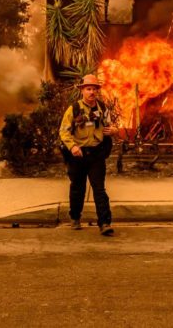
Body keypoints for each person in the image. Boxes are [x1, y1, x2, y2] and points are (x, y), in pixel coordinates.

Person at [59, 74, 119, 236]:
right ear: (82, 91)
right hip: (77, 156)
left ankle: (105, 223)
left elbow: (110, 126)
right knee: (78, 188)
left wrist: (113, 130)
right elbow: (64, 132)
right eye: (88, 89)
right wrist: (72, 147)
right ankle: (75, 217)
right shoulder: (74, 109)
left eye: (94, 89)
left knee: (99, 189)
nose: (92, 92)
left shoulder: (102, 108)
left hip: (96, 155)